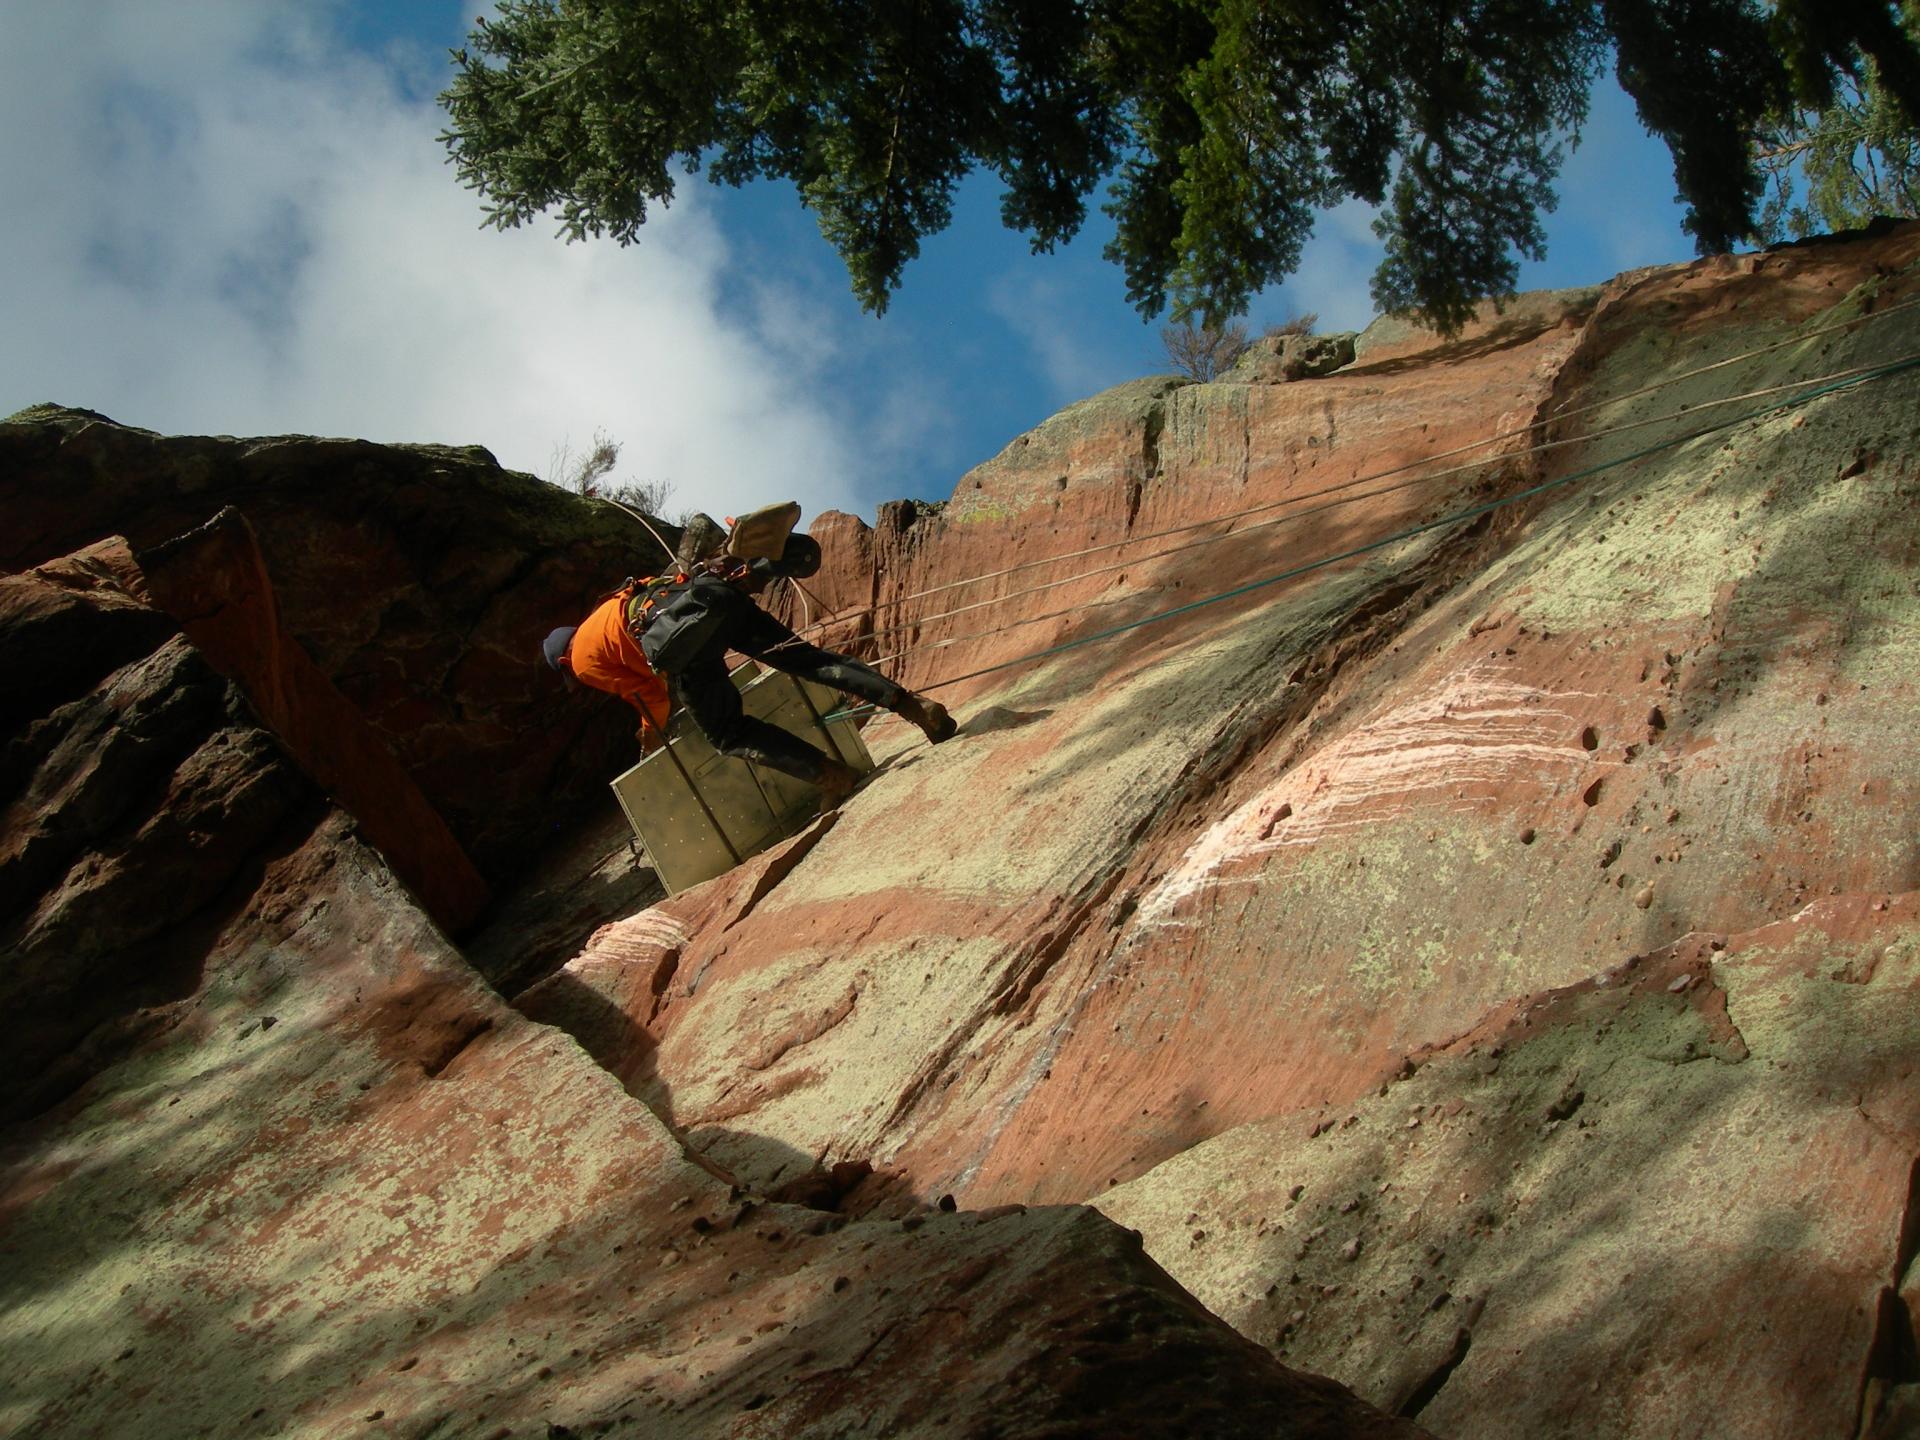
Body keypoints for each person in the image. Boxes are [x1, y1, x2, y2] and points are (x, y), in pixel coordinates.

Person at [544, 524, 955, 809]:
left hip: (687, 647)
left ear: (563, 659)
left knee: (727, 732)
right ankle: (917, 708)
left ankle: (833, 777)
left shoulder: (582, 660)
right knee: (808, 660)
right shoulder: (613, 605)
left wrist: (651, 736)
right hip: (712, 600)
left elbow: (649, 695)